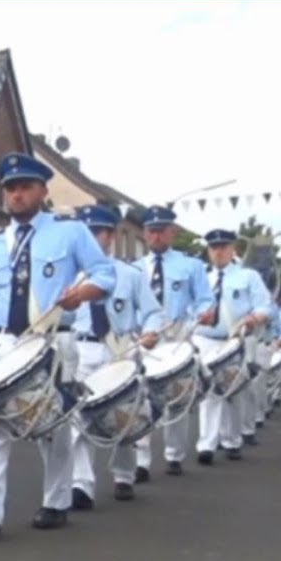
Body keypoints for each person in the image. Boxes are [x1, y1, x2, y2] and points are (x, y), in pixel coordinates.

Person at [0, 152, 115, 539]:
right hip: (1, 343)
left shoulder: (69, 232)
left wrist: (83, 293)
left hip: (52, 340)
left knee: (53, 424)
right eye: (11, 188)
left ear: (42, 190)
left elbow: (105, 273)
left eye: (25, 187)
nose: (17, 194)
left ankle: (56, 501)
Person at [66, 205, 164, 507]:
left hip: (118, 349)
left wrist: (150, 333)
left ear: (109, 236)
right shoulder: (69, 274)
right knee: (77, 418)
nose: (93, 239)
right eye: (87, 233)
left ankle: (123, 474)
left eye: (98, 232)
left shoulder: (129, 275)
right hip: (80, 349)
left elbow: (152, 313)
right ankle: (81, 485)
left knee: (123, 415)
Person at [130, 205, 214, 479]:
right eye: (150, 231)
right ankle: (141, 461)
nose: (155, 236)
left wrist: (205, 313)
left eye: (160, 231)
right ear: (144, 233)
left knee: (176, 398)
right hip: (145, 339)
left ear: (171, 233)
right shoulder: (133, 270)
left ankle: (174, 454)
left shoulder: (191, 265)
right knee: (140, 399)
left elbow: (204, 299)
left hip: (177, 337)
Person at [192, 229, 271, 464]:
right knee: (208, 391)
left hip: (234, 339)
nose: (219, 252)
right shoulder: (201, 278)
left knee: (232, 391)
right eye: (214, 247)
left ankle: (232, 440)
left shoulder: (248, 276)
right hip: (204, 339)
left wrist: (254, 318)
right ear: (209, 251)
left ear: (232, 248)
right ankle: (206, 445)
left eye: (224, 247)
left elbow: (265, 306)